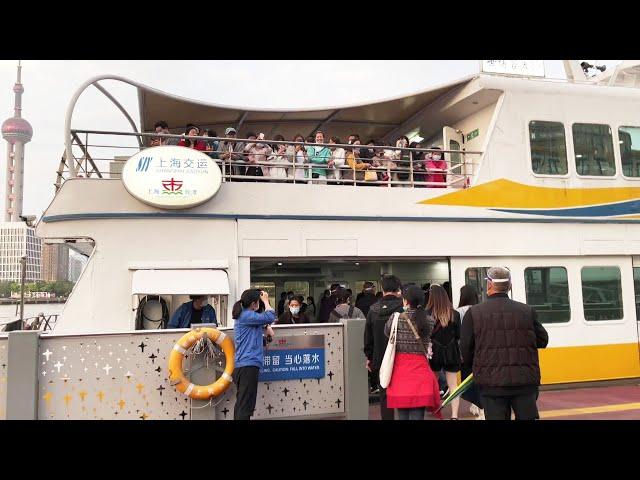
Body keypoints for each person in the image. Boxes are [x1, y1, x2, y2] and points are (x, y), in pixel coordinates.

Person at [460, 267, 549, 420]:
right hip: (524, 381)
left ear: (489, 285)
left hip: (491, 384)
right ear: (510, 286)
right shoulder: (526, 311)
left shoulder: (474, 313)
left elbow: (466, 350)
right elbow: (543, 340)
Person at [384, 285, 441, 420]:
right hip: (420, 373)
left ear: (405, 301)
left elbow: (387, 333)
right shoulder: (429, 321)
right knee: (418, 415)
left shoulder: (395, 318)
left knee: (402, 414)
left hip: (400, 373)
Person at [364, 274, 404, 420]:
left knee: (384, 394)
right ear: (398, 288)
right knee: (403, 393)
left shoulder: (373, 310)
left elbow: (368, 337)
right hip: (402, 357)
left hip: (380, 358)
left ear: (382, 288)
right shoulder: (403, 308)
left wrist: (369, 357)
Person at [233, 289, 276, 420]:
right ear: (253, 303)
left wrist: (266, 333)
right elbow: (270, 316)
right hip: (247, 366)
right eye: (258, 302)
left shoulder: (248, 316)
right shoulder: (246, 316)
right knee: (245, 405)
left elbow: (253, 337)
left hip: (246, 365)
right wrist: (266, 301)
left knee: (244, 404)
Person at [427, 284, 462, 419]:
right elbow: (459, 335)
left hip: (433, 353)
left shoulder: (427, 314)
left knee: (433, 383)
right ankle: (454, 415)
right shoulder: (455, 314)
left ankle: (435, 409)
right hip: (451, 352)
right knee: (453, 386)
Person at [456, 285, 484, 419]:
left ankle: (475, 405)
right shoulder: (481, 310)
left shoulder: (458, 312)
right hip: (481, 351)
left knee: (468, 381)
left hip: (466, 352)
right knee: (481, 381)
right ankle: (480, 406)